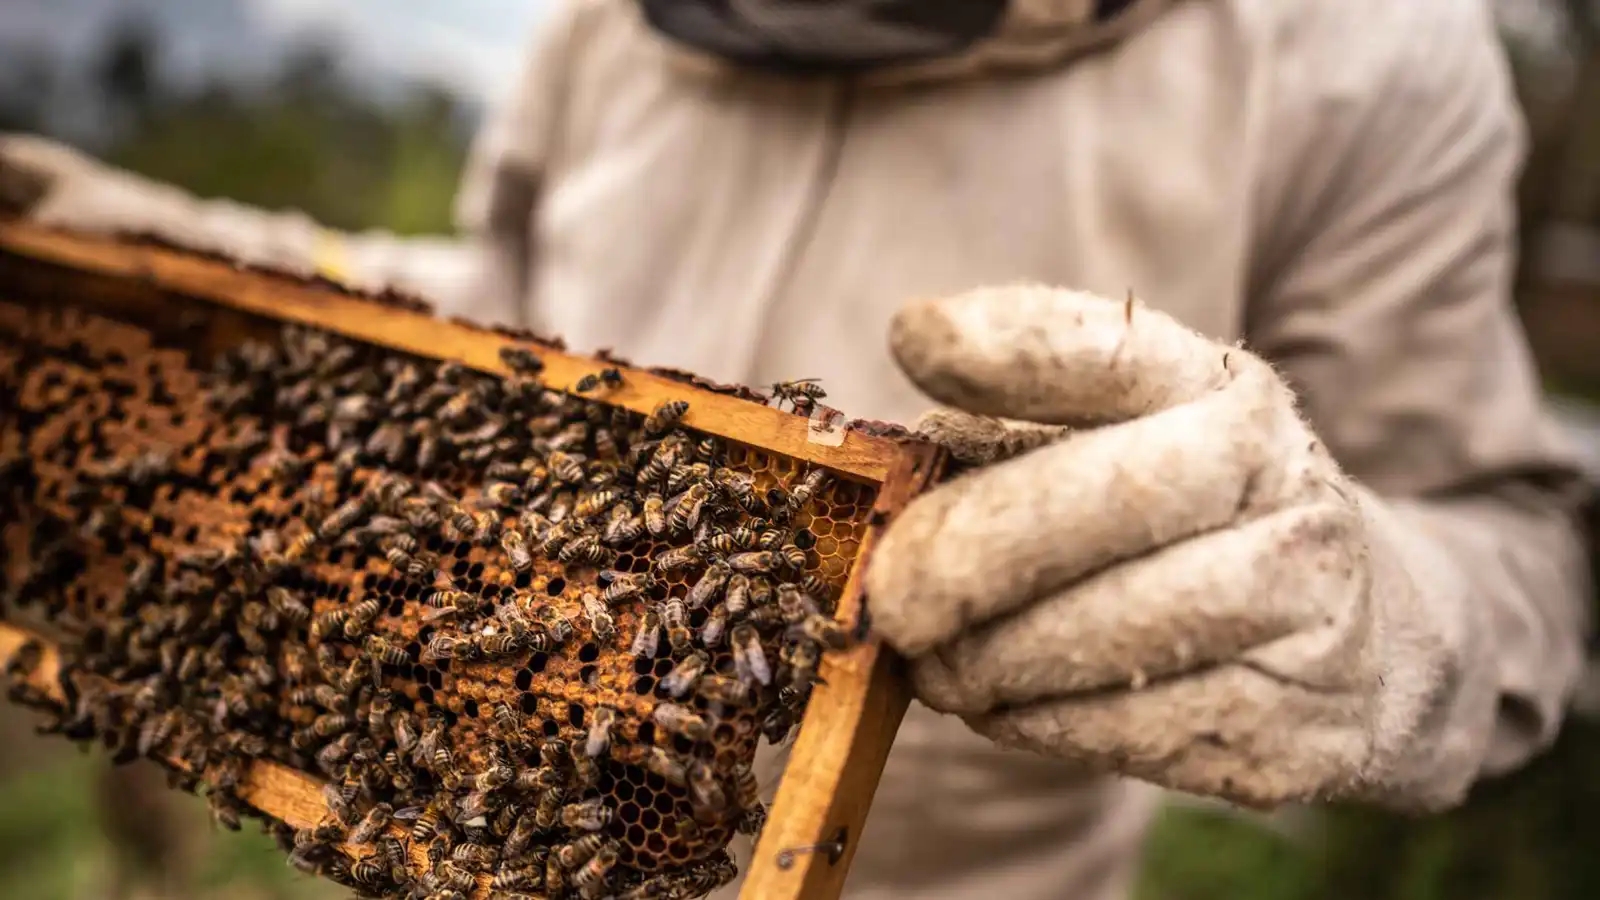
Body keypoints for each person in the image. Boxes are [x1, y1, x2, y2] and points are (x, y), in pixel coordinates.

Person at [1, 1, 1592, 898]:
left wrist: (1386, 625)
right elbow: (512, 332)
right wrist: (170, 253)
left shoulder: (1367, 59)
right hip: (495, 838)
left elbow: (1519, 546)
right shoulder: (600, 40)